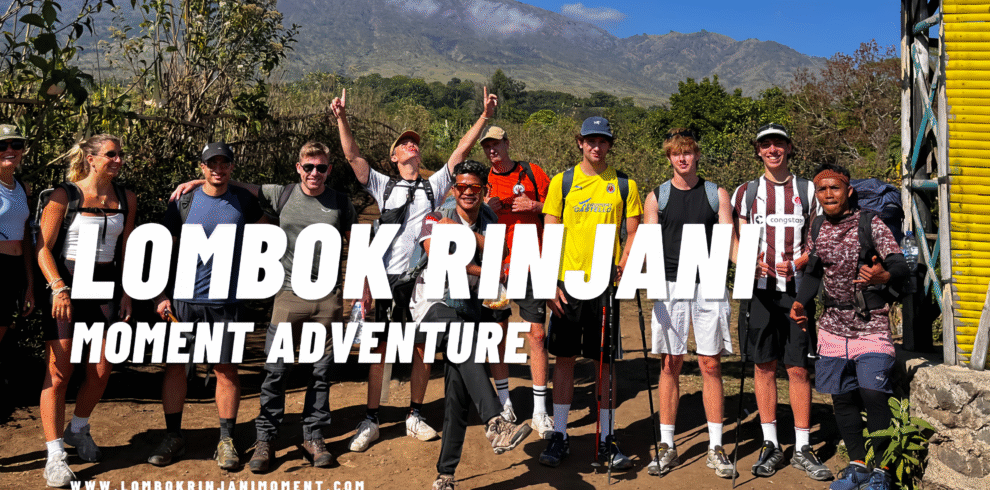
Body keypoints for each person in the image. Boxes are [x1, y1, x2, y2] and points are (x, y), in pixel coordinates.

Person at [168, 142, 356, 472]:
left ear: (330, 169)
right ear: (298, 167)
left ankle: (313, 436)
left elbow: (356, 243)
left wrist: (360, 289)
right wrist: (201, 183)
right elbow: (235, 185)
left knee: (321, 370)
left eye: (321, 168)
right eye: (308, 167)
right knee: (276, 370)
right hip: (286, 294)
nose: (314, 173)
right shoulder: (280, 194)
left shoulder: (341, 202)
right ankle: (265, 439)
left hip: (328, 296)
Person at [330, 87, 497, 452]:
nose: (412, 147)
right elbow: (352, 155)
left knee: (422, 347)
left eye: (415, 144)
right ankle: (372, 418)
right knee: (383, 349)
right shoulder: (382, 184)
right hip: (386, 277)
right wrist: (342, 118)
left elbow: (461, 153)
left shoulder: (434, 185)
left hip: (421, 279)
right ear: (393, 156)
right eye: (404, 145)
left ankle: (415, 414)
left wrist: (484, 117)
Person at [407, 161, 533, 490]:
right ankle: (496, 422)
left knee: (457, 395)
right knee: (459, 338)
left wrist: (473, 242)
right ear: (453, 189)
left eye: (473, 188)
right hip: (431, 305)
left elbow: (496, 255)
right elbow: (438, 254)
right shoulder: (437, 216)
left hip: (467, 310)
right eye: (460, 187)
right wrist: (487, 265)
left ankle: (445, 475)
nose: (466, 193)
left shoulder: (489, 219)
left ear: (484, 192)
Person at [790, 163, 907, 490]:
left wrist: (883, 275)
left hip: (871, 324)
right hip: (831, 327)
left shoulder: (871, 223)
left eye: (835, 188)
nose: (828, 194)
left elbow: (899, 264)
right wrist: (801, 303)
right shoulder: (816, 226)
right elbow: (814, 272)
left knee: (873, 394)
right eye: (822, 189)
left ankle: (881, 470)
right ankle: (857, 465)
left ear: (848, 190)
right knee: (841, 398)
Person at [148, 142, 264, 470]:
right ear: (201, 167)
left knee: (225, 368)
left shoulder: (244, 202)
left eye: (224, 163)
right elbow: (159, 247)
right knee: (175, 367)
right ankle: (173, 436)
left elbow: (271, 231)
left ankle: (226, 439)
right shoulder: (183, 201)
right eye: (211, 163)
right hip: (183, 301)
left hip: (226, 302)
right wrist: (159, 295)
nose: (218, 169)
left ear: (231, 167)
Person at [538, 116, 641, 470]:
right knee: (564, 359)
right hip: (568, 284)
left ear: (610, 144)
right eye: (590, 140)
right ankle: (560, 434)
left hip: (604, 286)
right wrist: (549, 281)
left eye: (603, 140)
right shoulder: (562, 182)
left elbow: (633, 231)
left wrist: (625, 262)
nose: (597, 146)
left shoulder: (625, 184)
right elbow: (550, 234)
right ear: (580, 142)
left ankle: (607, 438)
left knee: (605, 364)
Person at [730, 123, 831, 480]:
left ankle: (803, 446)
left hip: (798, 291)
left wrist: (804, 260)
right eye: (765, 144)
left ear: (789, 148)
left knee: (799, 367)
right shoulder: (745, 192)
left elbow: (820, 236)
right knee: (763, 365)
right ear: (758, 151)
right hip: (759, 290)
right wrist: (741, 259)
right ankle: (770, 442)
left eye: (778, 144)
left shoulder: (807, 190)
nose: (772, 150)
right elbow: (732, 236)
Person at [37, 134, 136, 487]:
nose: (118, 160)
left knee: (101, 367)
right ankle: (54, 456)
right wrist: (58, 287)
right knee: (59, 373)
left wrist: (126, 292)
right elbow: (44, 248)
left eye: (120, 154)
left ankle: (78, 429)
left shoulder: (126, 198)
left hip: (106, 288)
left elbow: (126, 251)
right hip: (68, 284)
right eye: (111, 154)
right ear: (91, 159)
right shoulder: (65, 195)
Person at [643, 128, 735, 478]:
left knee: (710, 364)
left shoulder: (716, 195)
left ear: (697, 155)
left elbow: (729, 240)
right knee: (670, 363)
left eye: (688, 152)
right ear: (669, 158)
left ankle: (716, 447)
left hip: (708, 281)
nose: (682, 158)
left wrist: (753, 268)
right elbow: (651, 245)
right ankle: (667, 445)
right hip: (670, 283)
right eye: (675, 154)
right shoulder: (658, 197)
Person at [456, 119, 554, 438]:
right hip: (495, 265)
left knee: (537, 335)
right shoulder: (482, 183)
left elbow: (560, 210)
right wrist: (482, 208)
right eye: (487, 146)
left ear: (507, 144)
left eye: (496, 144)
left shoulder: (533, 173)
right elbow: (464, 219)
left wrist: (535, 205)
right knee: (496, 335)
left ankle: (540, 410)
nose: (492, 150)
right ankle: (504, 402)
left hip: (529, 262)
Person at [0, 124, 35, 347]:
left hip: (13, 270)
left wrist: (30, 284)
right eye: (1, 145)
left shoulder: (23, 187)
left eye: (17, 144)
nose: (9, 149)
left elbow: (26, 239)